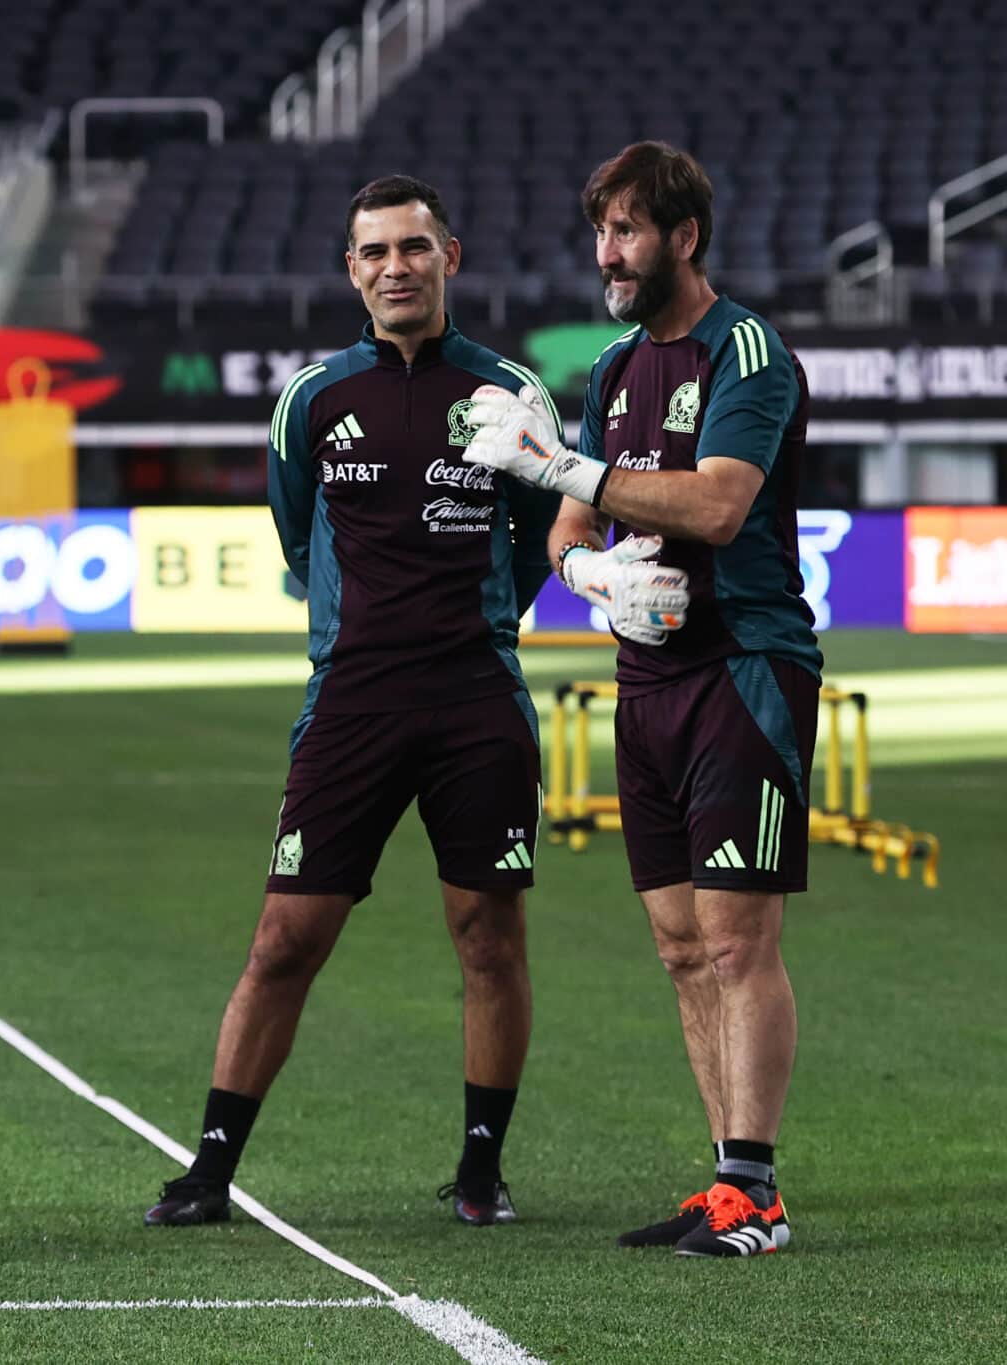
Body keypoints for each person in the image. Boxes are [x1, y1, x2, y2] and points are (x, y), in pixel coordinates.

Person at [145, 176, 647, 1231]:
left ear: (448, 257)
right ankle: (209, 1169)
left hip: (476, 702)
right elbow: (297, 537)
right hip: (350, 707)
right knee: (284, 937)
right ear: (350, 271)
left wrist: (481, 623)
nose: (393, 268)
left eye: (412, 248)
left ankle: (479, 1170)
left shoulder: (509, 392)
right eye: (372, 252)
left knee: (486, 935)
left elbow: (541, 526)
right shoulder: (311, 398)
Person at [462, 141, 818, 1257]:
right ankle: (723, 1186)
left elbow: (714, 508)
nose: (606, 252)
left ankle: (754, 1194)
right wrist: (590, 575)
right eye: (599, 232)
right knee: (675, 947)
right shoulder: (615, 367)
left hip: (743, 670)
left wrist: (560, 472)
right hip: (645, 680)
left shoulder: (745, 353)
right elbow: (573, 529)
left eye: (625, 231)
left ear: (682, 237)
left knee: (732, 943)